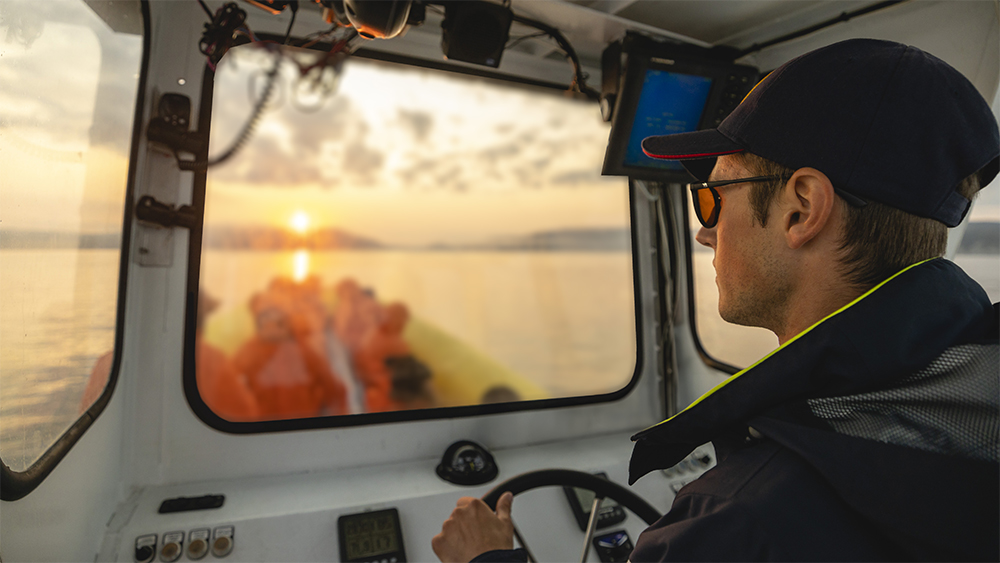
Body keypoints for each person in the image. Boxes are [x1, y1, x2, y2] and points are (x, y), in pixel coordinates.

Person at [432, 38, 999, 562]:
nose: (705, 230)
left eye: (713, 197)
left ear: (801, 209)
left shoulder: (737, 521)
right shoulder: (974, 400)